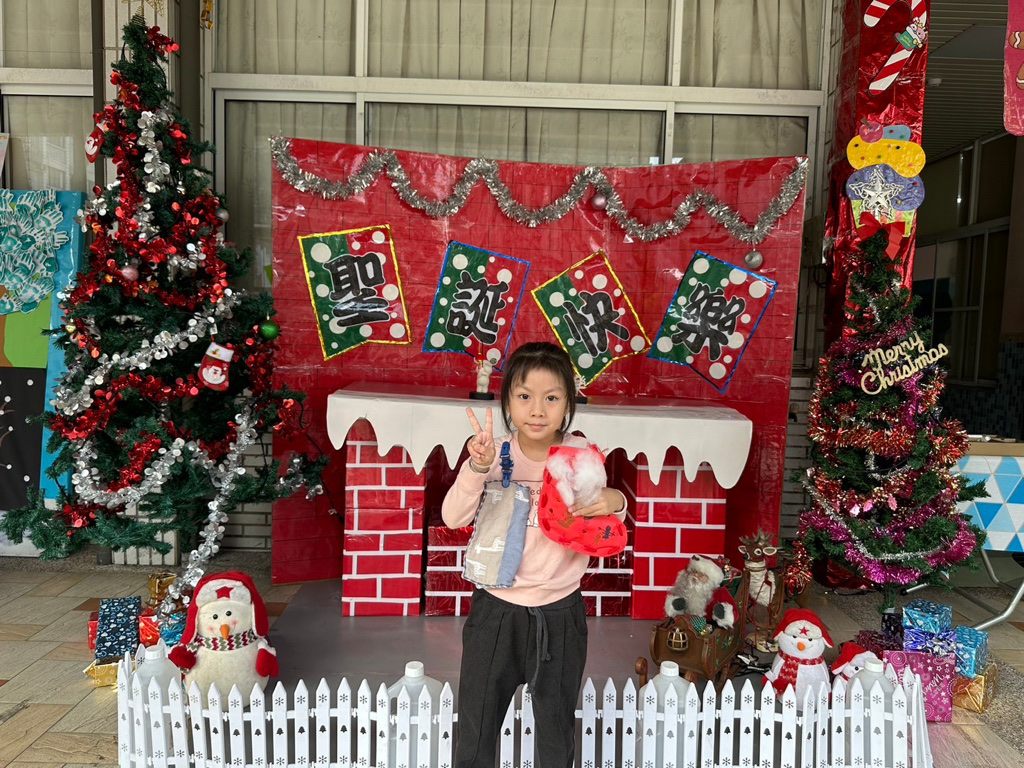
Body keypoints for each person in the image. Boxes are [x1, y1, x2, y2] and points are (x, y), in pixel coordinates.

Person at [442, 341, 627, 768]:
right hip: (496, 612)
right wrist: (477, 468)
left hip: (560, 615)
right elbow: (453, 517)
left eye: (552, 398)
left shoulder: (579, 457)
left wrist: (615, 500)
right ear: (508, 401)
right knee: (476, 727)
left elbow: (605, 523)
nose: (538, 410)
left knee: (556, 731)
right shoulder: (494, 453)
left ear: (568, 404)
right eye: (524, 396)